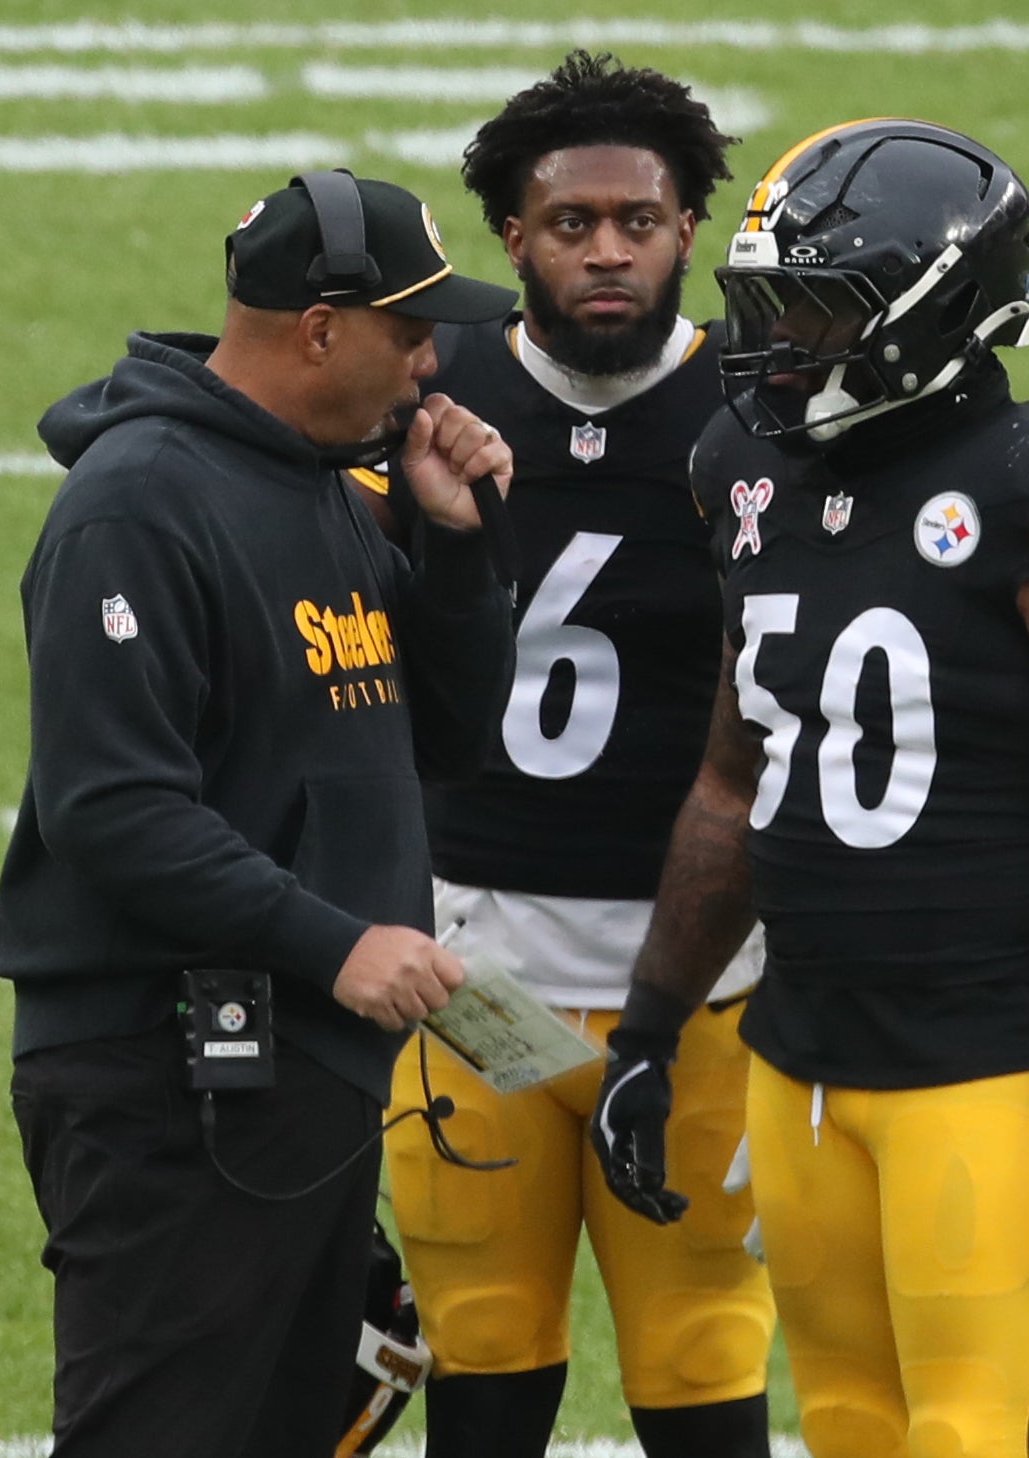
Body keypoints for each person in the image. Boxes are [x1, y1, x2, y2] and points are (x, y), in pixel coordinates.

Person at [586, 119, 1029, 1458]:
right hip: (802, 1050)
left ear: (932, 314)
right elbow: (733, 777)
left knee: (966, 1436)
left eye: (814, 308)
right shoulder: (744, 475)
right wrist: (649, 1022)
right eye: (766, 303)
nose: (775, 340)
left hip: (993, 1049)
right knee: (850, 1431)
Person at [0, 169, 520, 1458]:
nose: (431, 363)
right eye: (409, 331)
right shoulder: (139, 502)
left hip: (293, 1075)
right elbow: (110, 808)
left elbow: (449, 741)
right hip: (172, 1079)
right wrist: (334, 942)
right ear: (320, 327)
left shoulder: (324, 489)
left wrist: (456, 548)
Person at [345, 52, 775, 1458]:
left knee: (705, 1365)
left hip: (707, 975)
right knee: (483, 1363)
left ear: (689, 232)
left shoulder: (765, 411)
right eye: (571, 222)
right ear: (512, 236)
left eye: (637, 223)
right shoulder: (428, 391)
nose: (607, 251)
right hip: (478, 967)